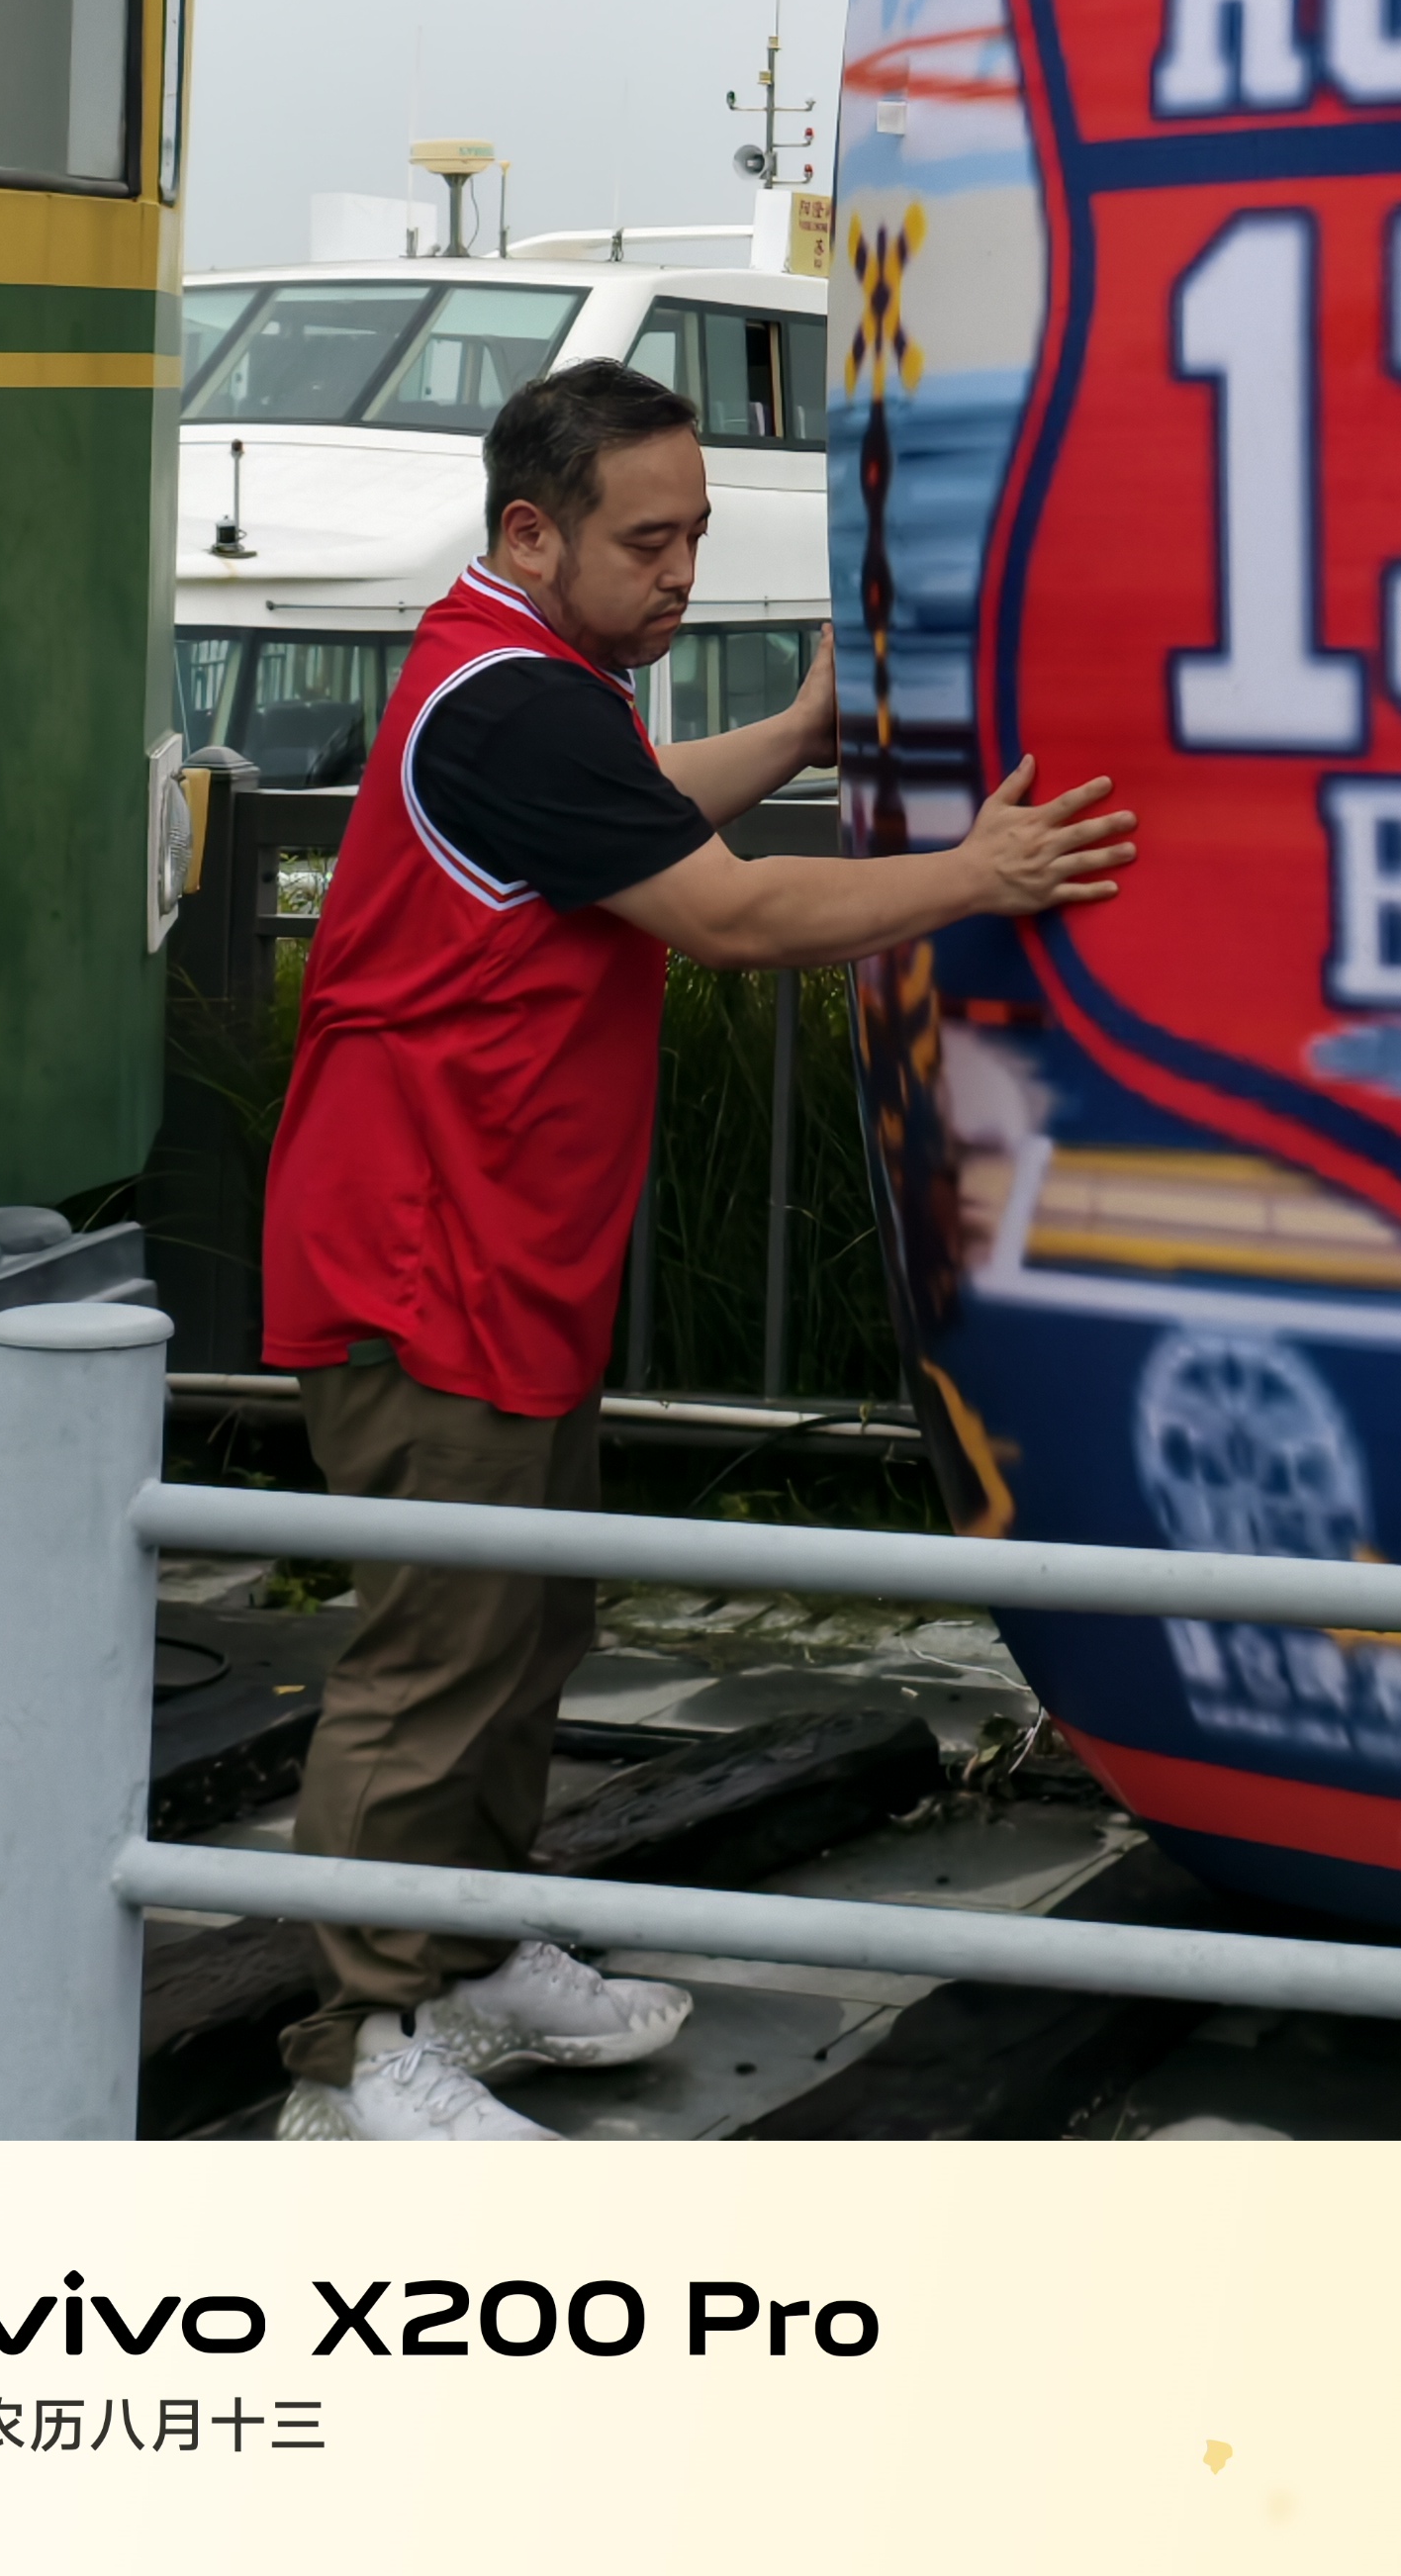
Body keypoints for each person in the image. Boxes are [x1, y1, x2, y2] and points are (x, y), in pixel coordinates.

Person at [256, 356, 1133, 2141]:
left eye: (697, 537)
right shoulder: (514, 707)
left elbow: (646, 806)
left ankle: (466, 1952)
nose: (680, 574)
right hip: (424, 1262)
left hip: (499, 1255)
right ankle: (360, 2052)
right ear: (531, 532)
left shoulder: (526, 678)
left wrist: (797, 738)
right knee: (438, 1656)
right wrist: (981, 873)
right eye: (647, 543)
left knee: (527, 1629)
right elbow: (725, 913)